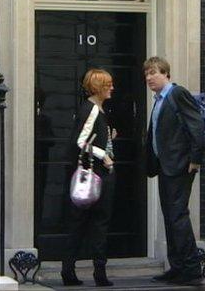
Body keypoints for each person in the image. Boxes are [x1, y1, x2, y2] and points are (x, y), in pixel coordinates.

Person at [144, 56, 205, 285]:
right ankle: (177, 266)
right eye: (147, 74)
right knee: (170, 217)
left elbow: (196, 125)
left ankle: (191, 268)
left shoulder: (177, 94)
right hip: (165, 166)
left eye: (154, 73)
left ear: (166, 74)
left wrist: (195, 159)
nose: (149, 78)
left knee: (178, 216)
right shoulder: (158, 99)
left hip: (180, 165)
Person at [61, 69, 116, 287]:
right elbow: (80, 142)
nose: (112, 88)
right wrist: (105, 157)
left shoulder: (96, 110)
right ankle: (98, 274)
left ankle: (70, 270)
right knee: (98, 223)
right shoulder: (92, 110)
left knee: (80, 223)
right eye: (108, 84)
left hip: (94, 173)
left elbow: (91, 137)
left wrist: (108, 136)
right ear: (97, 87)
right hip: (96, 175)